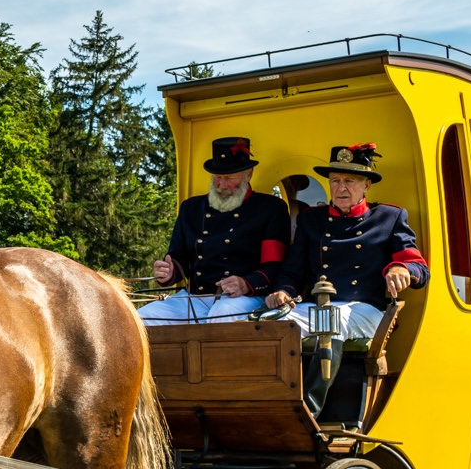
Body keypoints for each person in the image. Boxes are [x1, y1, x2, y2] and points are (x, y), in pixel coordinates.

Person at [264, 143, 429, 413]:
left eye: (350, 181)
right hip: (317, 306)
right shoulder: (312, 220)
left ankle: (308, 413)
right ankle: (268, 404)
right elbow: (292, 271)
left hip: (366, 309)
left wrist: (401, 269)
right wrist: (282, 290)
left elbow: (419, 268)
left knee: (331, 319)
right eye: (335, 181)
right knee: (266, 322)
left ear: (366, 185)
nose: (341, 188)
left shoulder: (389, 217)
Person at [140, 136, 290, 323]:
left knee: (221, 317)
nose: (222, 185)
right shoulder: (191, 208)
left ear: (248, 173)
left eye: (229, 178)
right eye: (217, 177)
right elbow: (178, 257)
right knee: (143, 319)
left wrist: (246, 284)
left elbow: (274, 265)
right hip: (194, 297)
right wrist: (168, 272)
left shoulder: (270, 209)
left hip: (244, 298)